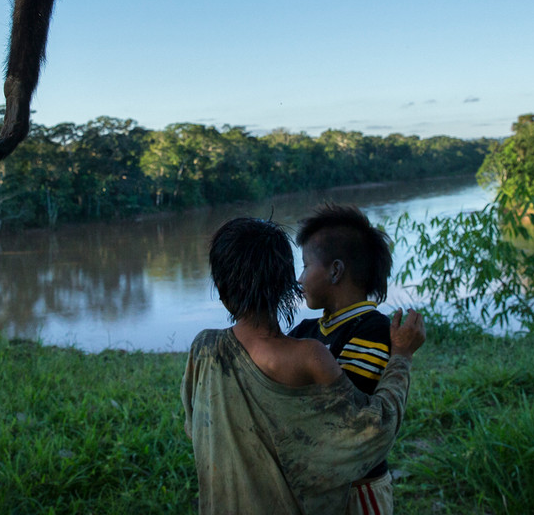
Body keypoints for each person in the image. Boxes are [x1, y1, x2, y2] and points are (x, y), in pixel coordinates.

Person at [181, 216, 425, 515]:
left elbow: (197, 429)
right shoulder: (309, 349)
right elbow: (368, 429)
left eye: (306, 267)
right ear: (284, 284)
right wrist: (403, 356)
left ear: (221, 289)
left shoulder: (203, 349)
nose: (300, 278)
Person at [289, 203, 396, 515]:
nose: (299, 279)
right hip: (315, 483)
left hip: (357, 489)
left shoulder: (373, 328)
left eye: (305, 266)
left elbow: (342, 411)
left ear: (335, 271)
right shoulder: (306, 329)